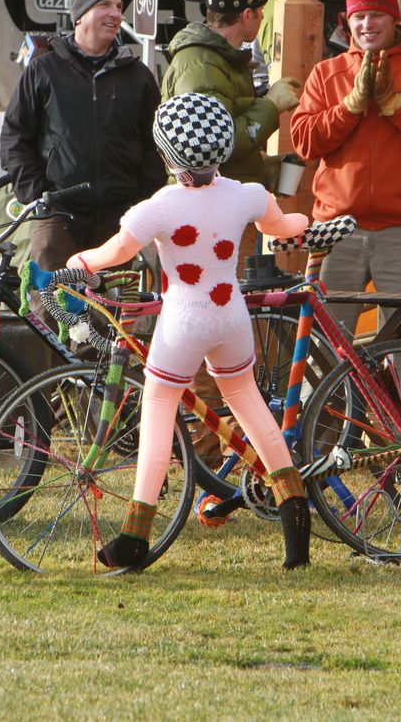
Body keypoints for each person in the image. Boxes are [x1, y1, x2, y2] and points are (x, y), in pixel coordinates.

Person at [67, 93, 312, 570]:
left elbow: (115, 252)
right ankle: (295, 528)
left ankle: (135, 537)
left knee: (158, 414)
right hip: (231, 317)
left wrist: (78, 263)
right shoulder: (246, 194)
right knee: (252, 408)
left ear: (165, 154)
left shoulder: (158, 207)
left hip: (183, 319)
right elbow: (286, 226)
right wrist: (311, 224)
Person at [289, 0, 401, 342]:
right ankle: (332, 405)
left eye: (377, 15)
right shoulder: (327, 73)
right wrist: (350, 107)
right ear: (347, 22)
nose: (367, 24)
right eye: (359, 17)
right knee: (327, 350)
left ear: (395, 19)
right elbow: (303, 141)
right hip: (336, 231)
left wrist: (396, 106)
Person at [0, 0, 166, 270]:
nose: (116, 14)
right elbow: (15, 139)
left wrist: (139, 203)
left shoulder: (138, 76)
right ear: (79, 16)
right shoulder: (43, 70)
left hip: (118, 221)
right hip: (57, 219)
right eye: (105, 4)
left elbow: (156, 146)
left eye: (118, 6)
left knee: (110, 313)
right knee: (50, 312)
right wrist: (40, 198)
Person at [161, 0, 302, 200]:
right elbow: (209, 143)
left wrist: (262, 168)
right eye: (261, 11)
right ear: (247, 15)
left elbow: (222, 139)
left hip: (221, 205)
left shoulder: (215, 60)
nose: (262, 17)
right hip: (209, 211)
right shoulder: (201, 66)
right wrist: (270, 104)